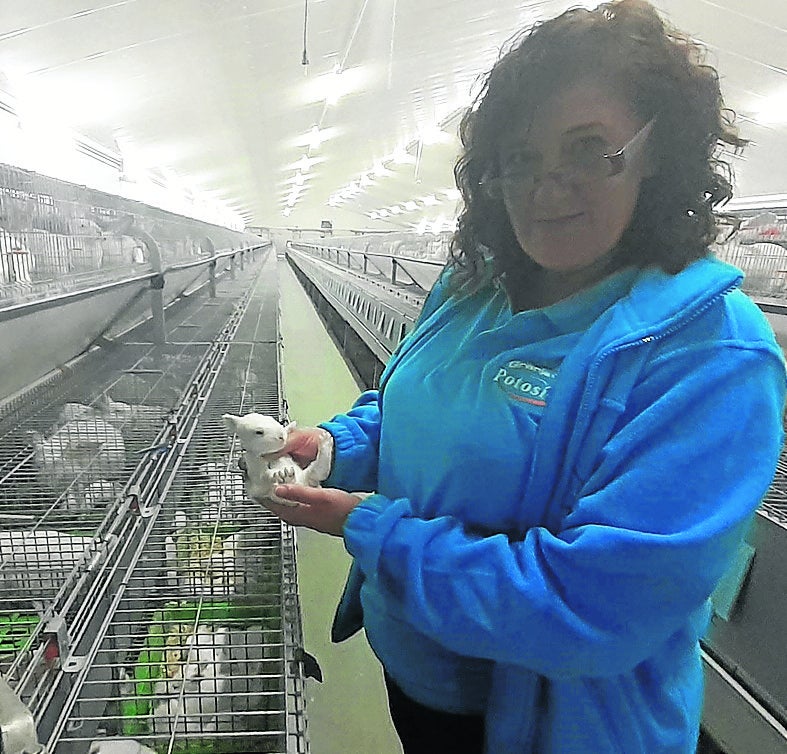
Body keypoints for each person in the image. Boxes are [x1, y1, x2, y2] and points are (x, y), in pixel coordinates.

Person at [265, 1, 787, 752]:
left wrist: (370, 527)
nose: (546, 187)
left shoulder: (708, 353)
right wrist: (338, 445)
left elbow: (591, 608)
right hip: (418, 671)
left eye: (587, 150)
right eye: (520, 157)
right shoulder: (474, 282)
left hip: (547, 724)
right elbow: (412, 400)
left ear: (658, 153)